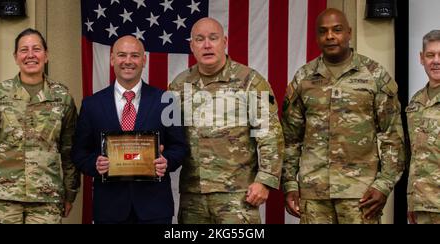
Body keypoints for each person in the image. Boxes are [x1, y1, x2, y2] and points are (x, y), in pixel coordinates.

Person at [281, 8, 405, 224]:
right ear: (317, 37)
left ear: (348, 32)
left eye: (337, 30)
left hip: (360, 194)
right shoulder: (304, 78)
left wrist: (383, 185)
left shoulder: (374, 75)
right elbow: (291, 139)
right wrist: (290, 183)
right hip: (314, 192)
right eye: (323, 31)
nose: (330, 36)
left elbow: (392, 136)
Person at [169, 17, 284, 224]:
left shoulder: (251, 81)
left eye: (213, 38)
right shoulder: (178, 85)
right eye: (200, 39)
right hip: (193, 196)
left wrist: (265, 181)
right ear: (192, 46)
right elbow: (168, 135)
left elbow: (270, 134)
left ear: (225, 41)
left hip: (238, 195)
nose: (207, 45)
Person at [72, 35, 187, 224]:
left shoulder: (167, 101)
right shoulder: (92, 104)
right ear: (112, 59)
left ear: (144, 60)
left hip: (154, 209)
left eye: (134, 55)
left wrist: (167, 161)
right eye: (121, 55)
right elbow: (79, 152)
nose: (127, 61)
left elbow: (180, 147)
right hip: (109, 209)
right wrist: (96, 164)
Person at [0, 28, 80, 224]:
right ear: (16, 57)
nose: (30, 55)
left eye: (36, 49)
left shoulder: (62, 97)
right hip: (3, 197)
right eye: (24, 50)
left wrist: (70, 193)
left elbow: (70, 150)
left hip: (46, 197)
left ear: (46, 55)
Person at [406, 30, 440, 224]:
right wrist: (412, 201)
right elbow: (415, 154)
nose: (436, 60)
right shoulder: (416, 102)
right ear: (421, 58)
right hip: (421, 205)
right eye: (430, 55)